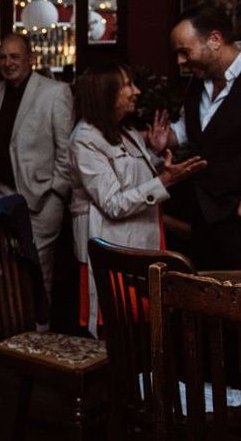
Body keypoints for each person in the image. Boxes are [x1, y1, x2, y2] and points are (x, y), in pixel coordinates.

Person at [69, 61, 205, 336]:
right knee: (122, 332)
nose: (136, 91)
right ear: (106, 93)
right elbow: (113, 203)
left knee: (146, 327)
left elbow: (134, 177)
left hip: (143, 241)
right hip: (117, 250)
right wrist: (164, 181)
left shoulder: (126, 130)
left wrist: (155, 156)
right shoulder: (85, 139)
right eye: (128, 85)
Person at [0, 33, 73, 304]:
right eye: (3, 57)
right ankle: (9, 340)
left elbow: (66, 151)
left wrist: (56, 194)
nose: (8, 62)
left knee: (38, 274)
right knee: (0, 272)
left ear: (30, 58)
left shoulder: (55, 93)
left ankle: (37, 338)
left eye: (14, 56)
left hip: (41, 200)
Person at [162, 6, 241, 269]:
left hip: (236, 213)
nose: (180, 61)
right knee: (206, 293)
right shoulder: (197, 83)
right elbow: (193, 129)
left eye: (185, 51)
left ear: (215, 40)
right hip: (203, 211)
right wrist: (169, 138)